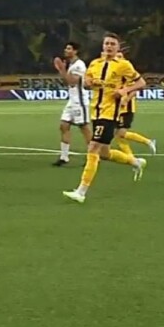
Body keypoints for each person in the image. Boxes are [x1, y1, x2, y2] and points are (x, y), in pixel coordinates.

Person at [62, 33, 147, 204]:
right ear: (103, 46)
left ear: (118, 48)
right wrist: (88, 83)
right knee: (105, 153)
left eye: (112, 44)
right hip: (96, 111)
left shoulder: (123, 65)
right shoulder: (95, 63)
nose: (109, 46)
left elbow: (141, 83)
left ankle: (81, 191)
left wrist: (124, 91)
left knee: (93, 147)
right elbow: (86, 83)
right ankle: (135, 162)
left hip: (110, 112)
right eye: (107, 43)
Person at [52, 42, 92, 166]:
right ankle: (64, 157)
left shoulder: (79, 65)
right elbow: (66, 82)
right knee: (64, 125)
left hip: (80, 101)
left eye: (69, 48)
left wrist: (62, 69)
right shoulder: (71, 65)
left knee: (84, 128)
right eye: (66, 48)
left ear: (75, 51)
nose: (66, 50)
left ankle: (92, 157)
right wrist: (62, 71)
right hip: (72, 100)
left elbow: (72, 82)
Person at [113, 50, 157, 159]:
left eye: (120, 56)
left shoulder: (128, 72)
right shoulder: (114, 72)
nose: (118, 58)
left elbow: (136, 88)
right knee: (118, 135)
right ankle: (131, 159)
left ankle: (147, 142)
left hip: (126, 108)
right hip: (115, 108)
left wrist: (126, 100)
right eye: (116, 57)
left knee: (121, 133)